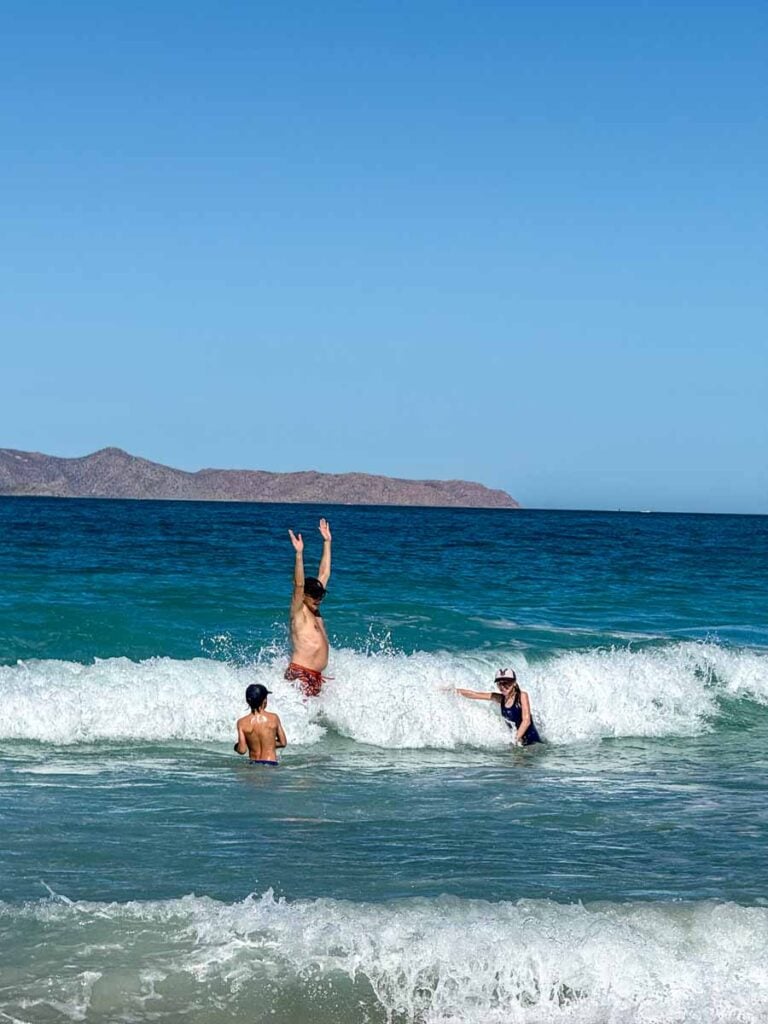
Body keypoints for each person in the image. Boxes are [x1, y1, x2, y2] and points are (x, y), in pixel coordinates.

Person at [284, 518, 332, 697]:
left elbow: (325, 572)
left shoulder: (315, 609)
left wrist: (327, 541)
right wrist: (299, 554)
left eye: (321, 596)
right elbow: (298, 585)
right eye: (314, 597)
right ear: (304, 596)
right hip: (300, 674)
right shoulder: (299, 611)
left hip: (315, 676)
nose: (318, 600)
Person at [456, 668, 542, 746]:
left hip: (533, 744)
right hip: (519, 745)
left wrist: (514, 740)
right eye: (499, 684)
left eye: (506, 683)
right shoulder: (500, 698)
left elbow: (526, 721)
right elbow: (475, 694)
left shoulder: (522, 696)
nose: (502, 687)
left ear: (514, 683)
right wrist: (453, 690)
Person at [234, 683, 287, 765]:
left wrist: (236, 747)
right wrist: (268, 743)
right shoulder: (274, 718)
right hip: (271, 764)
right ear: (264, 700)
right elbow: (283, 743)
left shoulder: (241, 722)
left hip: (253, 764)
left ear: (247, 701)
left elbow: (242, 750)